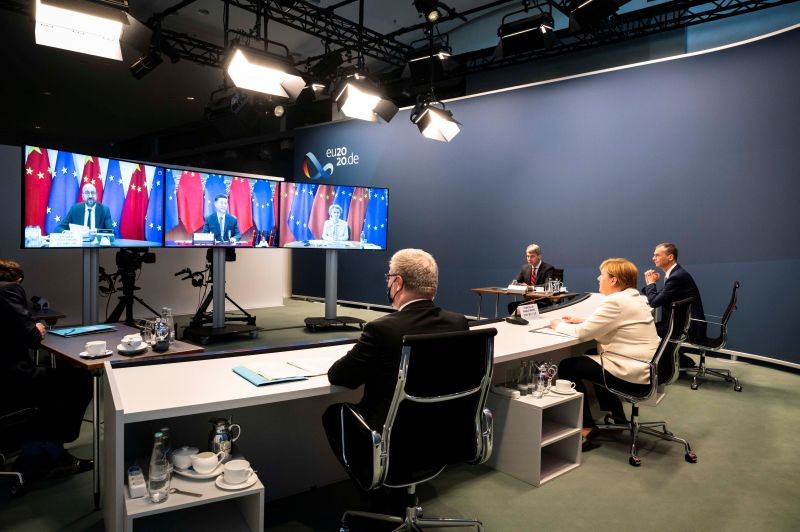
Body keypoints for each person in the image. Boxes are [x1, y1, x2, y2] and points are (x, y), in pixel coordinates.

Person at [322, 248, 469, 460]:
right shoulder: (458, 322)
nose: (387, 283)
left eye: (389, 278)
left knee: (333, 415)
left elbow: (340, 376)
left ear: (398, 282)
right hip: (440, 430)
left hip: (389, 435)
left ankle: (374, 485)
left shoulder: (381, 329)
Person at [550, 258, 660, 451]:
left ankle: (587, 429)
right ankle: (616, 414)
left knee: (567, 366)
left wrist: (558, 325)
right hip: (651, 367)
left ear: (613, 280)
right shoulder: (635, 297)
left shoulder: (615, 302)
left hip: (633, 371)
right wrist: (582, 320)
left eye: (602, 275)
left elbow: (583, 333)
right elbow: (618, 322)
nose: (598, 278)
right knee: (592, 353)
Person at [0, 259, 93, 479]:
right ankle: (51, 451)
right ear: (18, 279)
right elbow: (31, 337)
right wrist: (38, 327)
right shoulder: (10, 290)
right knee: (79, 379)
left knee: (54, 379)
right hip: (11, 378)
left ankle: (36, 445)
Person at [642, 242, 706, 368]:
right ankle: (679, 361)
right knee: (652, 327)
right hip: (682, 323)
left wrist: (651, 284)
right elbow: (659, 297)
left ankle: (674, 363)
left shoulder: (677, 276)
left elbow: (654, 302)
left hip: (687, 327)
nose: (653, 258)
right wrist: (650, 285)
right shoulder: (675, 274)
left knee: (645, 329)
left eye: (657, 255)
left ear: (670, 257)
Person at [508, 243, 557, 314]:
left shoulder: (548, 268)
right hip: (529, 301)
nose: (529, 259)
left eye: (532, 256)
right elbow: (515, 281)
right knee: (512, 306)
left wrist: (530, 287)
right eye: (527, 256)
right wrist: (515, 284)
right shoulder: (525, 268)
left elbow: (547, 286)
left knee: (525, 308)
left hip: (542, 302)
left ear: (539, 256)